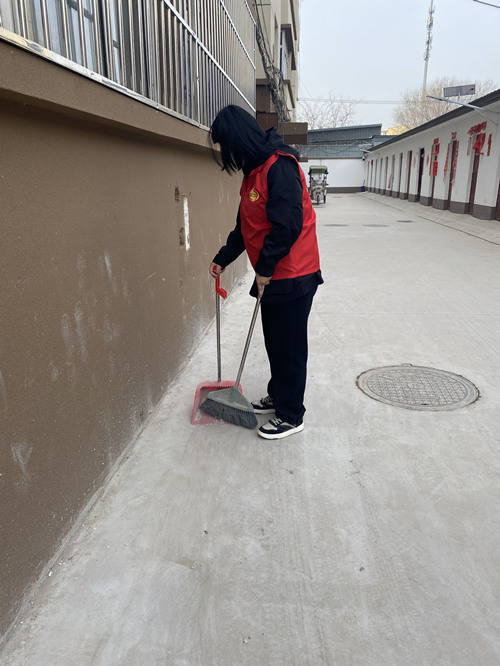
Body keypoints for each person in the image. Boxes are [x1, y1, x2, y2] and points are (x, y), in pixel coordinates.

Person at [208, 105, 323, 440]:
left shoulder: (279, 167)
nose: (227, 154)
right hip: (273, 275)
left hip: (294, 274)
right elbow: (246, 226)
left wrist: (265, 268)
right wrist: (223, 258)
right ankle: (279, 395)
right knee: (275, 340)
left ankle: (291, 414)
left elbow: (288, 226)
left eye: (226, 145)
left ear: (239, 140)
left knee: (289, 346)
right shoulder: (254, 171)